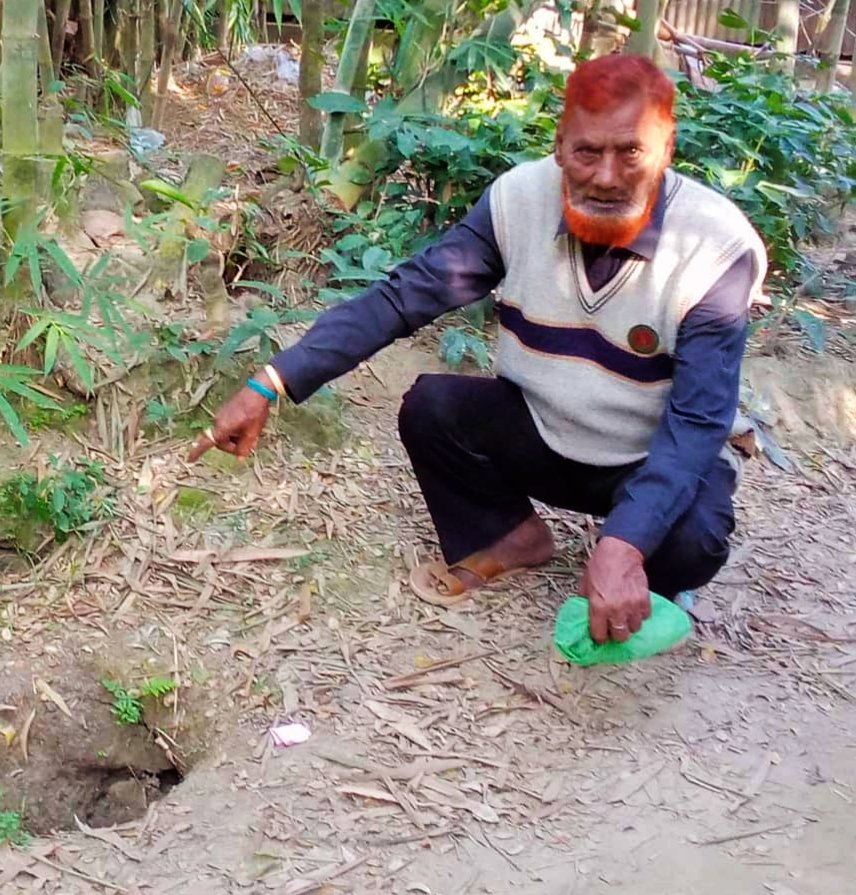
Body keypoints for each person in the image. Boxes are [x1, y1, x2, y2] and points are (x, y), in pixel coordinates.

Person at [188, 53, 766, 645]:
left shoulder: (714, 246)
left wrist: (625, 542)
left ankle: (635, 561)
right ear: (559, 146)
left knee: (692, 541)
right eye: (587, 152)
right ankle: (511, 536)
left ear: (667, 147)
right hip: (544, 432)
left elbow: (698, 422)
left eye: (631, 152)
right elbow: (404, 297)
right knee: (432, 410)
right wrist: (272, 380)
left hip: (647, 454)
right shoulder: (518, 201)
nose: (606, 176)